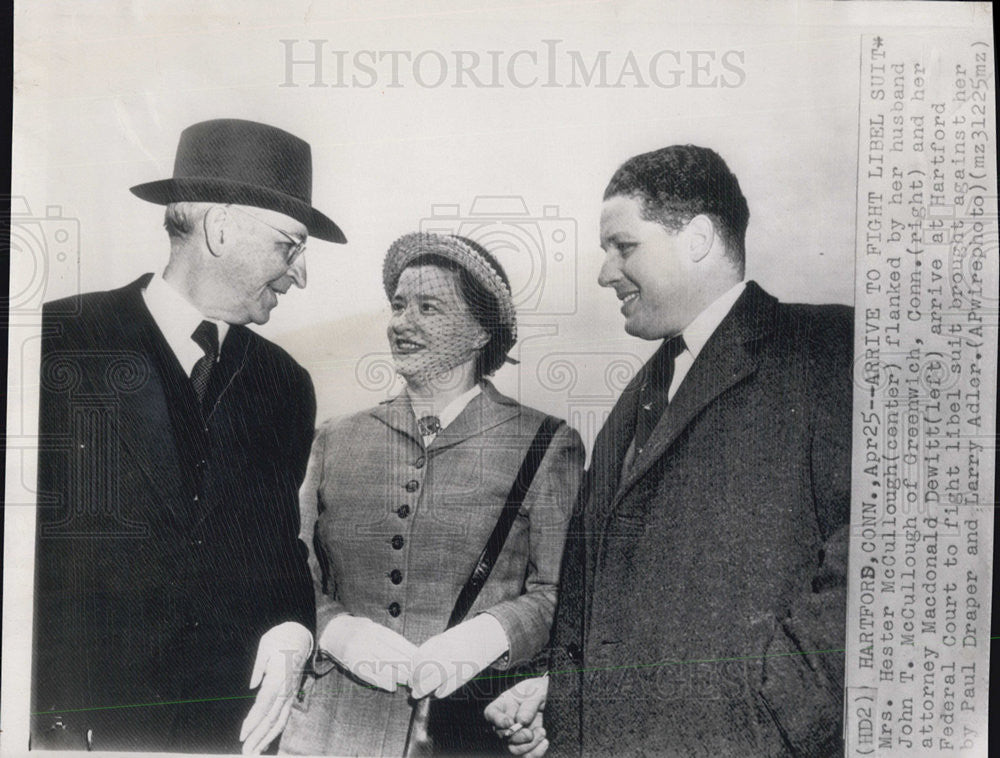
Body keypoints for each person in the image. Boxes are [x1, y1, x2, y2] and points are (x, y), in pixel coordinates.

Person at [486, 144, 853, 757]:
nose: (605, 272)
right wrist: (567, 696)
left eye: (624, 246)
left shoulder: (826, 349)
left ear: (700, 238)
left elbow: (880, 554)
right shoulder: (640, 395)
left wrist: (775, 714)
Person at [31, 118, 346, 754]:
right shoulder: (50, 342)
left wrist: (293, 629)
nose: (301, 276)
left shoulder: (285, 384)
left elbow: (277, 548)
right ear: (221, 229)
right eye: (291, 245)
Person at [277, 232, 585, 756]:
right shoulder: (334, 438)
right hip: (328, 731)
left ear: (479, 331)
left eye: (428, 307)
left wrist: (488, 635)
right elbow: (288, 570)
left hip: (468, 732)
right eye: (397, 306)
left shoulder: (545, 443)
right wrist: (336, 630)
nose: (401, 323)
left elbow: (565, 593)